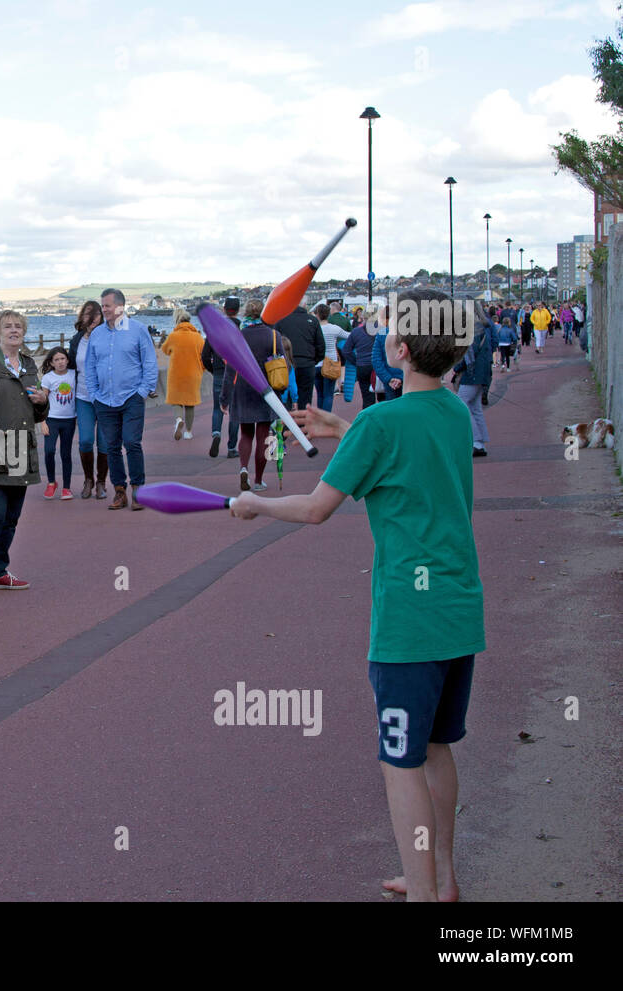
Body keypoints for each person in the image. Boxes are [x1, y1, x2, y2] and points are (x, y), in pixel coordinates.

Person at [229, 288, 483, 902]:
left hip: (408, 620)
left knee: (401, 765)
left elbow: (317, 509)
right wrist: (344, 426)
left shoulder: (382, 422)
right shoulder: (450, 409)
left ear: (397, 347)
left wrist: (255, 503)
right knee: (437, 747)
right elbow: (401, 452)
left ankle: (424, 895)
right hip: (457, 608)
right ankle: (441, 879)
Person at [0, 309, 47, 597]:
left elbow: (38, 412)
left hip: (23, 448)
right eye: (7, 326)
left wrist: (43, 401)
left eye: (18, 326)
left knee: (12, 515)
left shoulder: (28, 364)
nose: (14, 330)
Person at [85, 289, 159, 510]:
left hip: (131, 397)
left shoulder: (137, 330)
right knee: (111, 446)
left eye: (107, 306)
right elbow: (89, 366)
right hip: (104, 400)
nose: (104, 310)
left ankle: (138, 490)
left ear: (120, 307)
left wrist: (143, 391)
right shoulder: (97, 334)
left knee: (132, 442)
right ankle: (119, 491)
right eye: (103, 306)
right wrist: (93, 393)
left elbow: (149, 362)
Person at [219, 300, 281, 492]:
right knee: (263, 436)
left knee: (246, 434)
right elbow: (282, 364)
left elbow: (230, 369)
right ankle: (258, 480)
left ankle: (243, 468)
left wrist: (224, 398)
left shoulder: (238, 336)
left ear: (245, 313)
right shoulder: (273, 335)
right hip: (265, 390)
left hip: (243, 389)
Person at [67, 299, 110, 498]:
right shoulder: (76, 340)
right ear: (82, 317)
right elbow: (71, 367)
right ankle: (88, 479)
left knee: (104, 442)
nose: (92, 319)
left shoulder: (110, 337)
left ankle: (101, 482)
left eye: (96, 314)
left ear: (102, 317)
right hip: (82, 396)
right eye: (87, 314)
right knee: (85, 440)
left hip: (105, 398)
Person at [201, 297, 242, 459]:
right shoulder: (242, 327)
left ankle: (216, 433)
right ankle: (232, 447)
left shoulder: (214, 328)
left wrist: (214, 369)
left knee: (218, 408)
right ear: (238, 310)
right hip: (238, 374)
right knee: (235, 411)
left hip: (219, 372)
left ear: (224, 309)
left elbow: (205, 355)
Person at [161, 307, 205, 443]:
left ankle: (179, 419)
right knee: (190, 404)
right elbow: (204, 355)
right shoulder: (198, 337)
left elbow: (165, 350)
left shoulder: (173, 336)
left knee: (176, 401)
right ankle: (188, 432)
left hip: (176, 374)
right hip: (193, 374)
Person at [39, 347, 77, 499]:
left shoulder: (74, 375)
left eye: (63, 359)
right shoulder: (48, 378)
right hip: (52, 420)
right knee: (49, 451)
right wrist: (42, 422)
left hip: (69, 420)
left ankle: (66, 488)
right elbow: (42, 402)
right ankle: (51, 482)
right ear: (52, 363)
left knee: (66, 453)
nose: (60, 362)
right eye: (56, 360)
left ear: (67, 360)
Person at [455, 312, 494, 458]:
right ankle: (480, 442)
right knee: (475, 407)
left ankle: (476, 440)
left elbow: (465, 356)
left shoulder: (468, 333)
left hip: (472, 374)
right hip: (483, 372)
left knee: (461, 404)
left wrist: (456, 369)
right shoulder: (482, 329)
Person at [275, 304, 324, 411]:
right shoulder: (313, 320)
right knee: (305, 398)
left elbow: (275, 343)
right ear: (305, 305)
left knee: (286, 396)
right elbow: (320, 345)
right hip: (307, 363)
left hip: (286, 364)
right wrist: (314, 360)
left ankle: (286, 424)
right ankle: (303, 424)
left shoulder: (281, 320)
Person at [313, 303, 350, 413]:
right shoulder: (334, 329)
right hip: (331, 363)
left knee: (320, 394)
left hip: (317, 364)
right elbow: (349, 335)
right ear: (328, 314)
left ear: (317, 315)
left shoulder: (314, 329)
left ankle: (320, 417)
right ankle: (326, 419)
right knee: (329, 394)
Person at [344, 315, 378, 409]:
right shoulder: (382, 331)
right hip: (378, 366)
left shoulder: (356, 331)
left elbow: (346, 350)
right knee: (383, 396)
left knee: (367, 397)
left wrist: (356, 361)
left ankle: (368, 420)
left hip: (362, 366)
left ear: (364, 317)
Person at [371, 306, 404, 401]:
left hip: (390, 379)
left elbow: (376, 359)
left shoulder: (381, 333)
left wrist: (388, 378)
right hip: (406, 379)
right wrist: (401, 378)